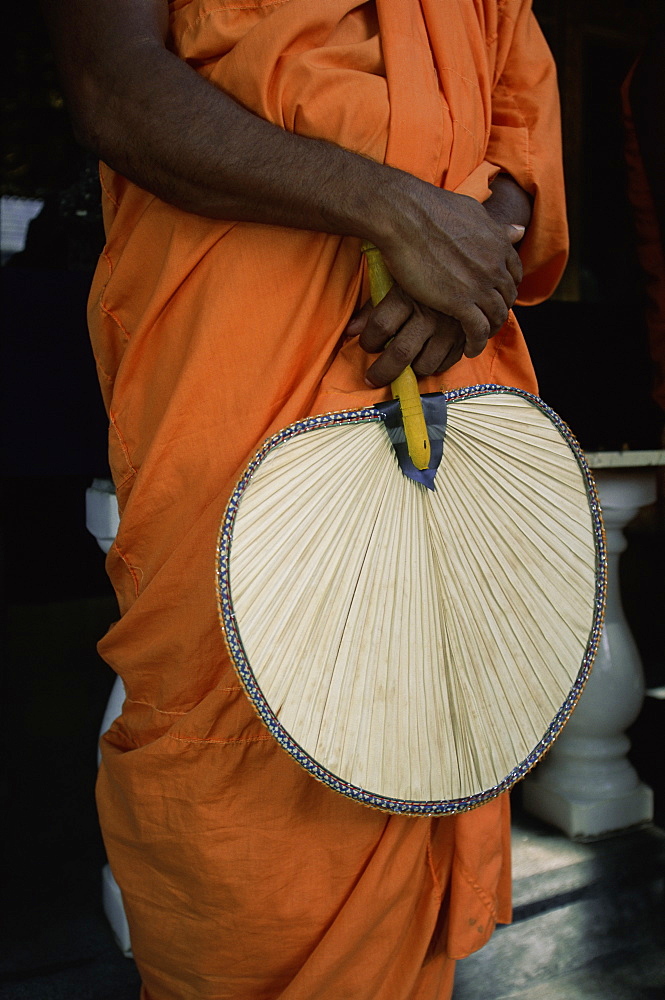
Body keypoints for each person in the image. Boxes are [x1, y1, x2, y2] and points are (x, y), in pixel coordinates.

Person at [44, 2, 568, 997]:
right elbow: (114, 85)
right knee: (240, 794)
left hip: (444, 372)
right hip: (235, 393)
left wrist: (469, 252)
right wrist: (392, 211)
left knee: (424, 730)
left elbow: (517, 113)